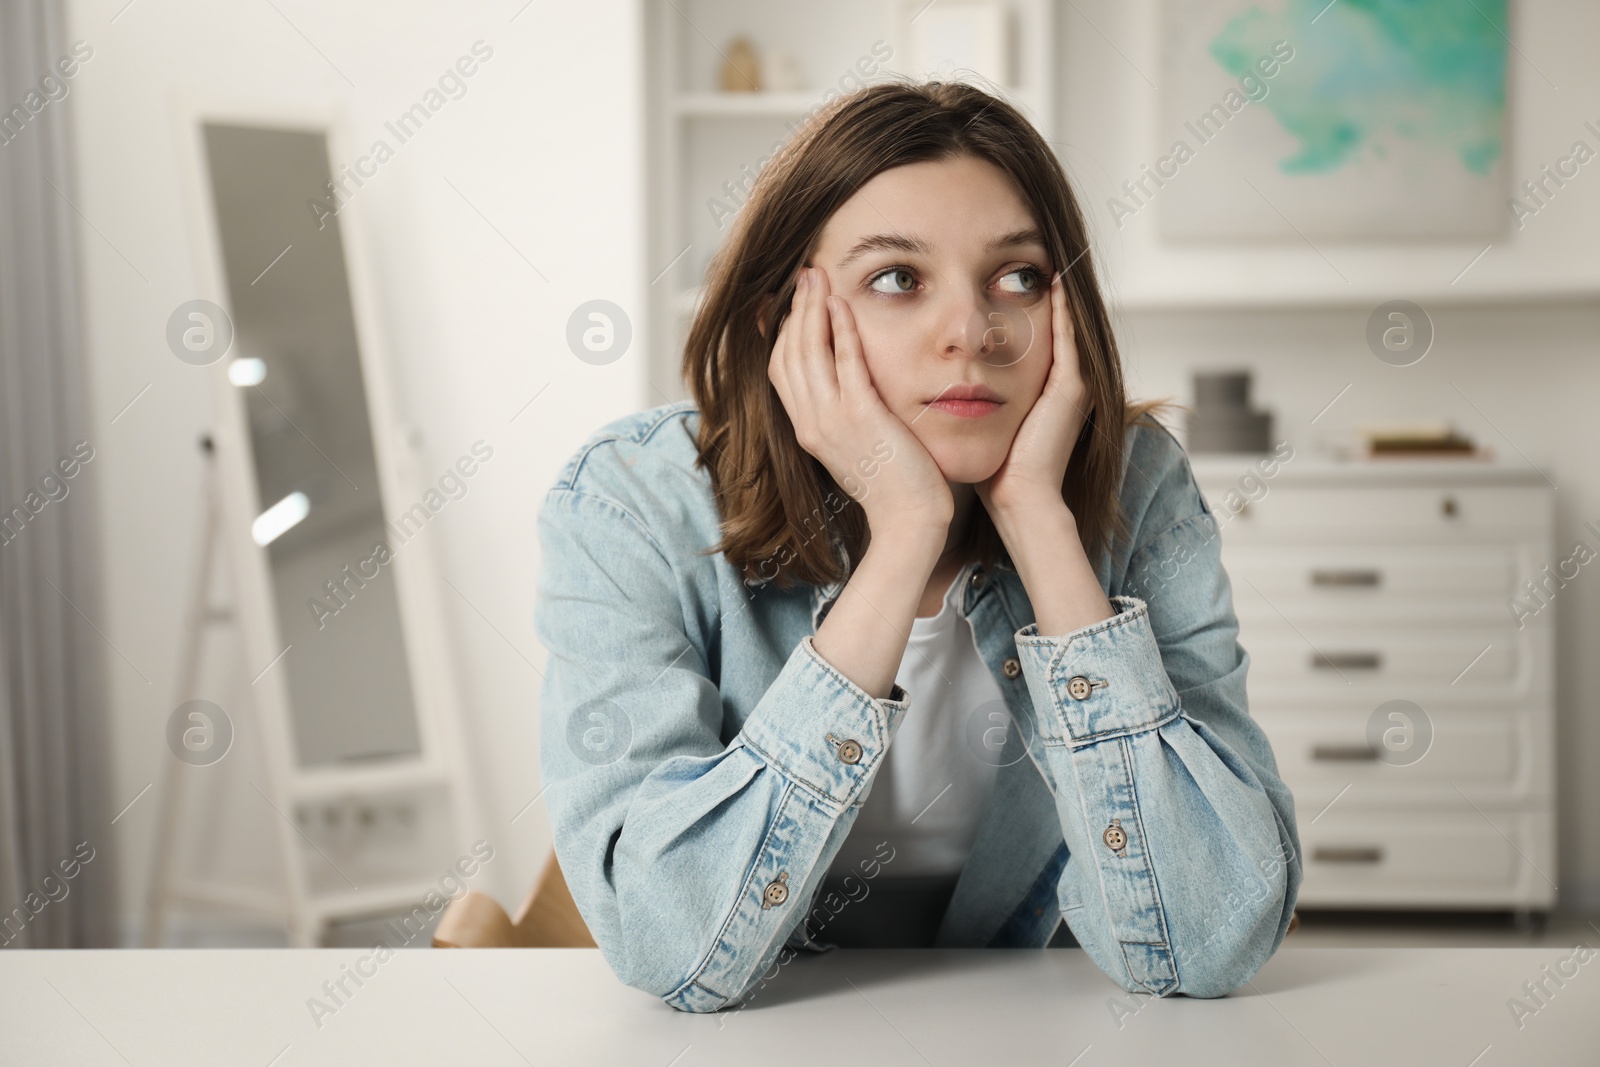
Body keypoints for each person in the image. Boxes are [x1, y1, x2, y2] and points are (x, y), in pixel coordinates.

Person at [536, 78, 1301, 1014]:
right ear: (789, 322)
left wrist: (1038, 521)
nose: (971, 332)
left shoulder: (1137, 490)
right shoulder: (631, 503)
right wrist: (903, 536)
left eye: (1017, 277)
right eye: (898, 279)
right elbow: (673, 947)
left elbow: (1208, 940)